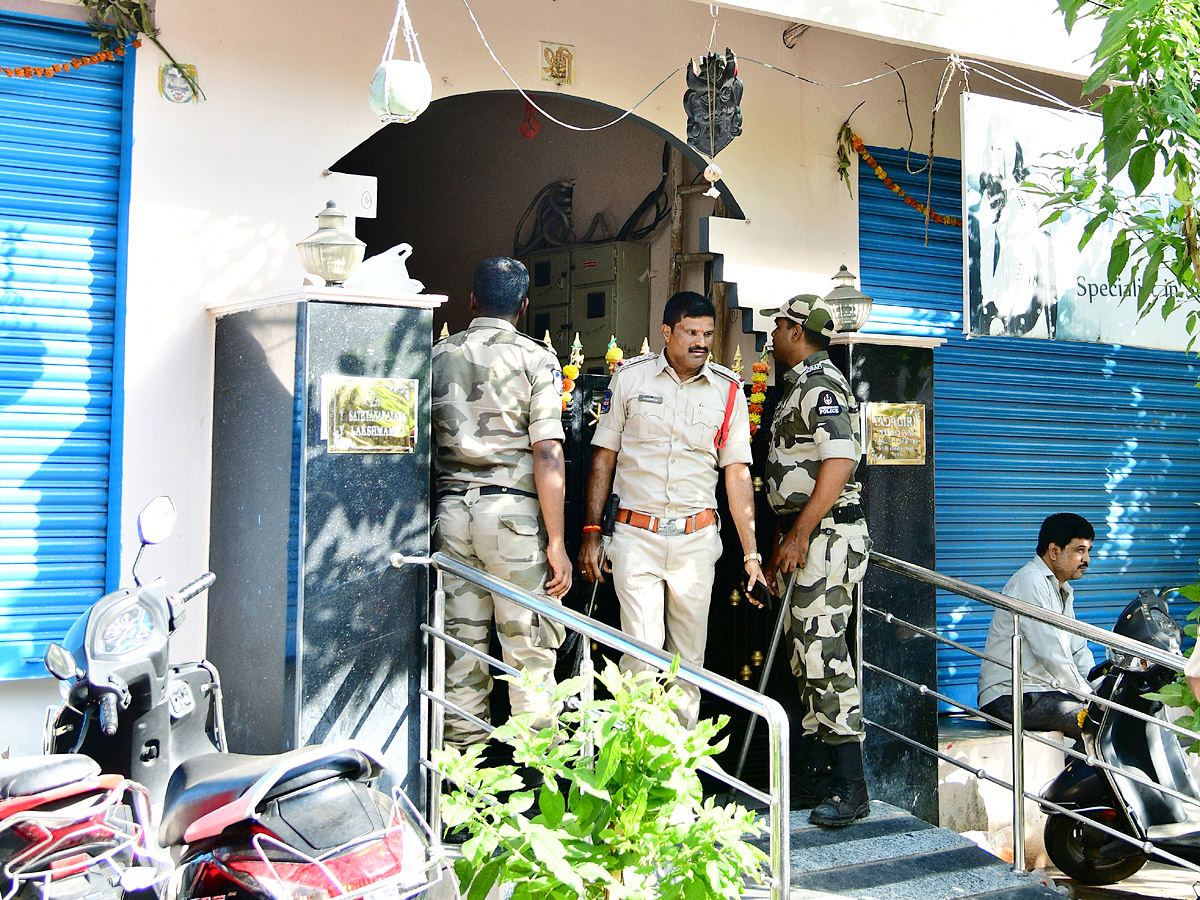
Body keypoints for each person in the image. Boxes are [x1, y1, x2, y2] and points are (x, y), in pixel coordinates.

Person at [579, 291, 767, 728]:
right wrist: (592, 531)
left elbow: (736, 474)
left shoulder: (728, 390)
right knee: (641, 661)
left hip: (696, 542)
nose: (700, 342)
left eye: (707, 333)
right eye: (690, 332)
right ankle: (635, 770)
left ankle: (678, 778)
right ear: (667, 332)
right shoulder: (630, 378)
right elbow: (603, 457)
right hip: (635, 538)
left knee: (688, 667)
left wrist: (751, 553)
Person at [431, 256, 572, 749]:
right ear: (525, 306)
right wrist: (557, 541)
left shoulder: (436, 356)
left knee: (460, 652)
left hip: (451, 517)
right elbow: (548, 451)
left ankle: (462, 792)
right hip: (511, 518)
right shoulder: (536, 359)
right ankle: (538, 788)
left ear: (471, 300)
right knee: (528, 650)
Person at [763, 294, 872, 828]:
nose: (772, 336)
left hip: (826, 537)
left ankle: (852, 786)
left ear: (798, 330)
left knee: (823, 654)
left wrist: (800, 531)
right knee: (806, 656)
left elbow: (840, 459)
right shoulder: (800, 384)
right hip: (810, 539)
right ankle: (823, 775)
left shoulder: (820, 385)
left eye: (779, 326)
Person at [977, 513, 1096, 743]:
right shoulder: (1029, 581)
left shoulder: (1063, 590)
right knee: (1093, 721)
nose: (1087, 559)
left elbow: (1078, 651)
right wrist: (1089, 695)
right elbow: (1050, 651)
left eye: (1088, 551)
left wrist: (1100, 687)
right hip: (1009, 697)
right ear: (1054, 551)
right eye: (1079, 550)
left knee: (1104, 718)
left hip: (1039, 693)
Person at [967, 114, 1057, 339]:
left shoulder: (1030, 184)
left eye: (1005, 144)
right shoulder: (991, 194)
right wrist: (990, 303)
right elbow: (986, 251)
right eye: (995, 147)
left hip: (1037, 278)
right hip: (1009, 292)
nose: (1002, 152)